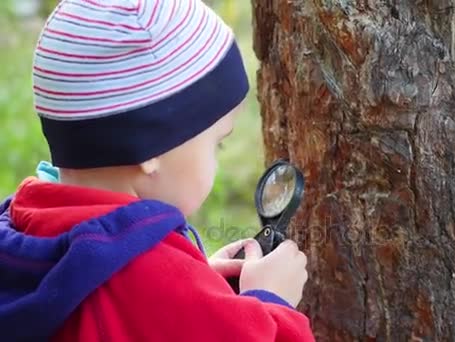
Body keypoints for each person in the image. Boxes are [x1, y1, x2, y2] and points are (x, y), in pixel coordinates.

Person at [0, 0, 314, 341]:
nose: (218, 159)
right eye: (217, 143)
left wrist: (194, 286)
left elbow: (113, 305)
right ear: (151, 150)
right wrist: (272, 302)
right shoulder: (150, 280)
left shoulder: (23, 232)